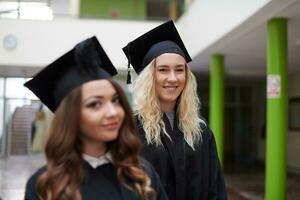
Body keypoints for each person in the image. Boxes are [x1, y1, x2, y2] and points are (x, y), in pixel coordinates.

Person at [24, 36, 167, 200]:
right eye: (94, 105)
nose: (113, 112)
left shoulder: (142, 174)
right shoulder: (44, 186)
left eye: (115, 100)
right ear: (70, 117)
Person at [123, 20, 227, 200]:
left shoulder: (201, 131)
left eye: (179, 70)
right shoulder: (130, 130)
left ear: (187, 76)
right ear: (150, 77)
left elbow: (215, 188)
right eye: (163, 70)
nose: (173, 78)